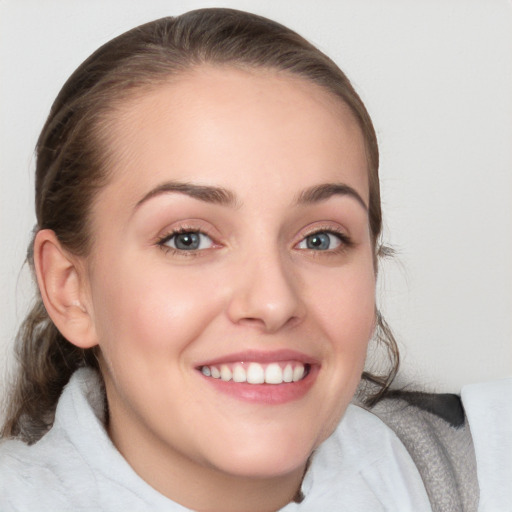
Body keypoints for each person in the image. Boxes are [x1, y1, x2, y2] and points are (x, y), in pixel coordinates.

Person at [0, 7, 510, 512]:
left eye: (320, 239)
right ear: (70, 289)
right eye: (188, 240)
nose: (272, 302)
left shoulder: (477, 469)